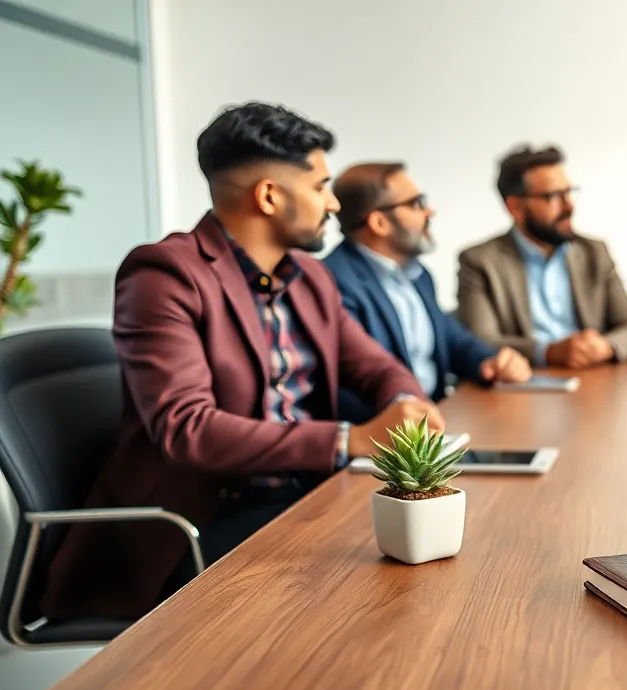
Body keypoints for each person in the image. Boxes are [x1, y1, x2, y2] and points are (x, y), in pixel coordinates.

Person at [40, 103, 442, 621]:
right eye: (320, 186)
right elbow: (187, 429)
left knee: (423, 569)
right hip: (202, 523)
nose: (334, 203)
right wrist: (348, 439)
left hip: (301, 499)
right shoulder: (164, 274)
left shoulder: (309, 277)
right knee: (380, 603)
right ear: (269, 196)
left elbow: (372, 363)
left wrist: (405, 400)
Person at [325, 162, 531, 422]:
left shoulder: (418, 274)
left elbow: (452, 339)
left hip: (438, 419)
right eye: (417, 203)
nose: (429, 211)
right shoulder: (334, 282)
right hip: (388, 439)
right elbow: (355, 379)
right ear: (379, 222)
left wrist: (492, 362)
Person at [456, 145, 627, 368]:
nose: (569, 206)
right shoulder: (479, 261)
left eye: (569, 192)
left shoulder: (594, 252)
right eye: (553, 196)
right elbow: (480, 342)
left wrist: (606, 346)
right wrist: (547, 352)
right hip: (523, 387)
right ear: (515, 207)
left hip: (595, 380)